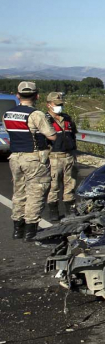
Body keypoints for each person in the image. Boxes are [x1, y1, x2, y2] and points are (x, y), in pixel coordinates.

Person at [2, 82, 57, 241]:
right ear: (37, 95)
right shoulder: (36, 114)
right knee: (36, 192)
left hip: (15, 158)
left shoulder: (7, 114)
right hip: (33, 157)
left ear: (18, 95)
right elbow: (52, 136)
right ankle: (30, 230)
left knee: (19, 192)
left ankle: (17, 229)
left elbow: (11, 132)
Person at [44, 91, 78, 223]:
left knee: (70, 184)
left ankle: (70, 209)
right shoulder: (45, 120)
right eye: (56, 104)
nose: (59, 107)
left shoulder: (67, 119)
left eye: (61, 104)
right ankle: (54, 210)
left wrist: (74, 153)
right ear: (49, 105)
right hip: (53, 157)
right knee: (53, 185)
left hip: (68, 156)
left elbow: (73, 135)